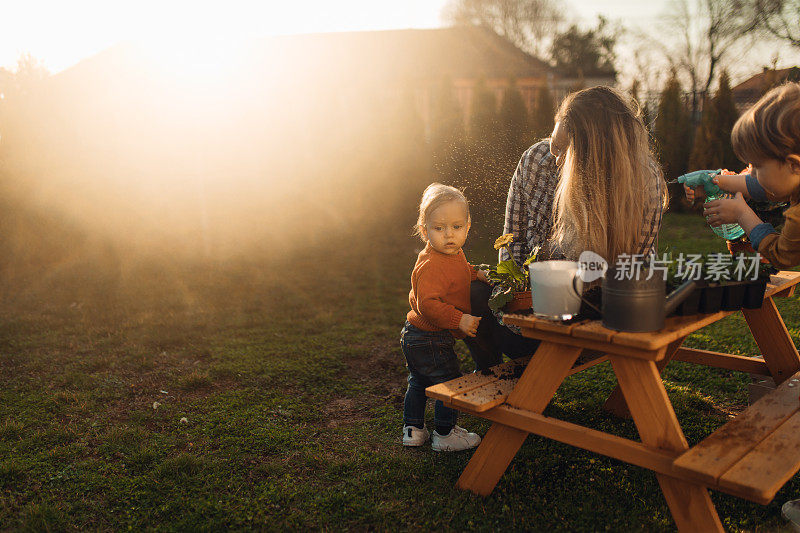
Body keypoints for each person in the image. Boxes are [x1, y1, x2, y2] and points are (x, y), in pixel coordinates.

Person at [467, 86, 668, 369]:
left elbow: (635, 270)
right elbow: (512, 243)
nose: (554, 156)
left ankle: (532, 378)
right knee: (473, 291)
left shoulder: (643, 183)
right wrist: (518, 301)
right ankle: (494, 374)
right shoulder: (536, 161)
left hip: (597, 319)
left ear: (595, 159)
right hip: (534, 311)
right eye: (553, 142)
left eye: (564, 149)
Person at [682, 82, 800, 530]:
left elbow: (781, 253)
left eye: (756, 164)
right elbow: (763, 183)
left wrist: (743, 216)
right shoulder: (793, 171)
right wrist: (724, 182)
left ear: (792, 163)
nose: (749, 173)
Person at [400, 183, 488, 451]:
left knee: (418, 380)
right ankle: (445, 433)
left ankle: (414, 429)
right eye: (439, 229)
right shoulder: (431, 264)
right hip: (430, 336)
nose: (449, 235)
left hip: (416, 336)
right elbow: (428, 304)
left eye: (457, 227)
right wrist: (458, 320)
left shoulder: (451, 254)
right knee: (448, 380)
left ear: (467, 226)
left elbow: (458, 273)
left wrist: (476, 273)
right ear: (424, 230)